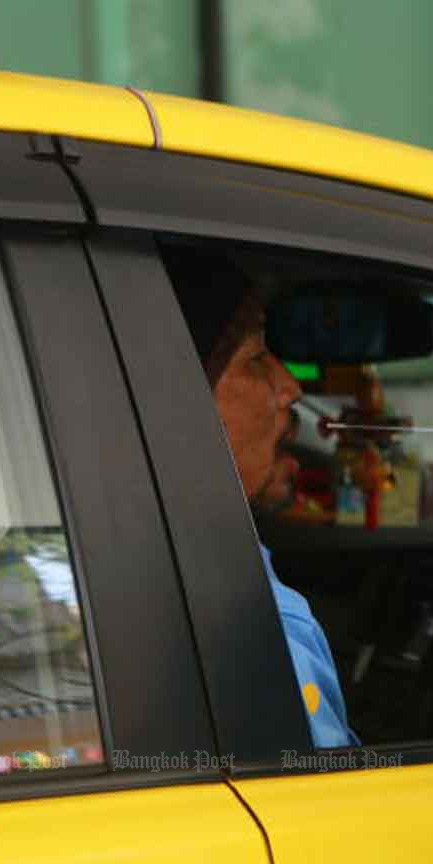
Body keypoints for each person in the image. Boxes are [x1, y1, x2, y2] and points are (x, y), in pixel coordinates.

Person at [164, 249, 354, 748]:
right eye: (255, 358)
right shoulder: (255, 628)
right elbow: (327, 812)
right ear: (174, 395)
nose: (290, 387)